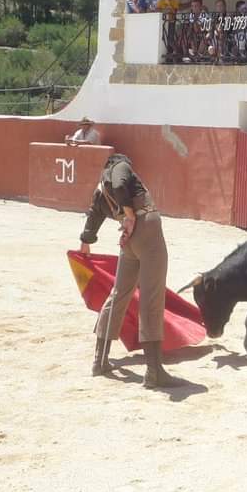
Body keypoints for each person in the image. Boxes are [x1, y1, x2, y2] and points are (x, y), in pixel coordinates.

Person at [79, 154, 186, 388]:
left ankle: (100, 361)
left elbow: (93, 217)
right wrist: (129, 214)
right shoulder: (121, 166)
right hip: (146, 228)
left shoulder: (100, 191)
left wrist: (86, 241)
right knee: (151, 297)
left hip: (128, 240)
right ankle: (154, 371)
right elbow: (120, 184)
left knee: (118, 294)